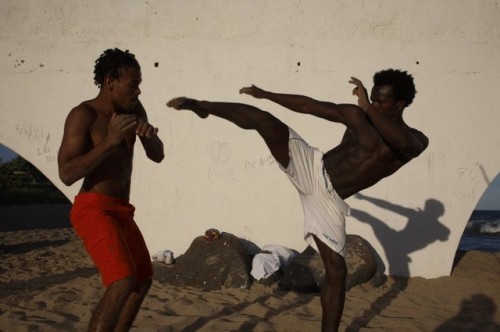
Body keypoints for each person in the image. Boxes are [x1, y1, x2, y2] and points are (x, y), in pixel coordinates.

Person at [167, 69, 428, 332]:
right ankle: (203, 106)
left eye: (381, 101)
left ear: (401, 103)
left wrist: (366, 107)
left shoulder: (415, 140)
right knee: (264, 120)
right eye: (372, 99)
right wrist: (265, 94)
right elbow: (308, 105)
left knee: (336, 272)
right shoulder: (358, 117)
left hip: (328, 202)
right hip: (312, 168)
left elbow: (403, 142)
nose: (374, 105)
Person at [58, 48, 164, 332]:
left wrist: (149, 136)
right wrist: (110, 141)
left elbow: (158, 155)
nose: (139, 91)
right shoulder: (84, 115)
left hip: (122, 210)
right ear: (110, 82)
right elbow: (66, 174)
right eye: (134, 84)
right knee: (122, 281)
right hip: (93, 207)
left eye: (140, 84)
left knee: (142, 281)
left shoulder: (133, 110)